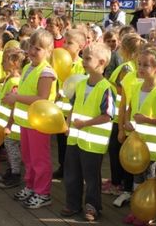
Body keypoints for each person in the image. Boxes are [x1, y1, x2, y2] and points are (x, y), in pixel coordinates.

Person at [60, 42, 114, 222]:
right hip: (75, 138)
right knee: (72, 173)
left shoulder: (106, 88)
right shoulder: (81, 83)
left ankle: (93, 206)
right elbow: (74, 106)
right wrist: (68, 124)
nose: (83, 60)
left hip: (93, 143)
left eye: (88, 58)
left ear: (102, 62)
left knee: (91, 177)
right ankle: (73, 203)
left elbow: (108, 115)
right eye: (83, 56)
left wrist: (86, 123)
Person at [4, 29, 57, 209]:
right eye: (32, 47)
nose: (33, 51)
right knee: (28, 157)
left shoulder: (46, 72)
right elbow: (27, 92)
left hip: (39, 123)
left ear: (49, 51)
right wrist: (16, 94)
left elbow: (42, 98)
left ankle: (43, 192)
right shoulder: (28, 67)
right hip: (26, 122)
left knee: (39, 158)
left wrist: (16, 98)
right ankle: (31, 185)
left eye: (39, 49)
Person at [122, 46, 156, 225]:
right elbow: (130, 108)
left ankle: (148, 212)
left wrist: (148, 120)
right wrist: (126, 121)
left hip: (151, 146)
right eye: (139, 64)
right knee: (136, 177)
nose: (140, 68)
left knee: (150, 179)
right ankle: (137, 208)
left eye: (145, 65)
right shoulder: (136, 86)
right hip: (136, 143)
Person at [109, 33, 146, 206]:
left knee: (122, 154)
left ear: (124, 50)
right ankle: (126, 186)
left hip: (123, 118)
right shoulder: (134, 69)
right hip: (126, 117)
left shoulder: (128, 69)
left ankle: (123, 186)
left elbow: (119, 89)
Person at [53, 29, 86, 179]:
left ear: (80, 46)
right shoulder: (59, 61)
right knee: (61, 144)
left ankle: (73, 170)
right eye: (65, 42)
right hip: (60, 112)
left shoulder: (82, 66)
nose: (65, 45)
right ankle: (62, 166)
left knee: (71, 144)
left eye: (70, 43)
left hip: (73, 113)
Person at [0, 49, 26, 188]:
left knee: (12, 149)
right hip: (8, 124)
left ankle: (16, 173)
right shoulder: (9, 78)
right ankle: (13, 170)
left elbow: (14, 103)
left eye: (5, 61)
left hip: (13, 125)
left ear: (13, 63)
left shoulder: (14, 82)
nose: (1, 63)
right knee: (10, 147)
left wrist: (9, 124)